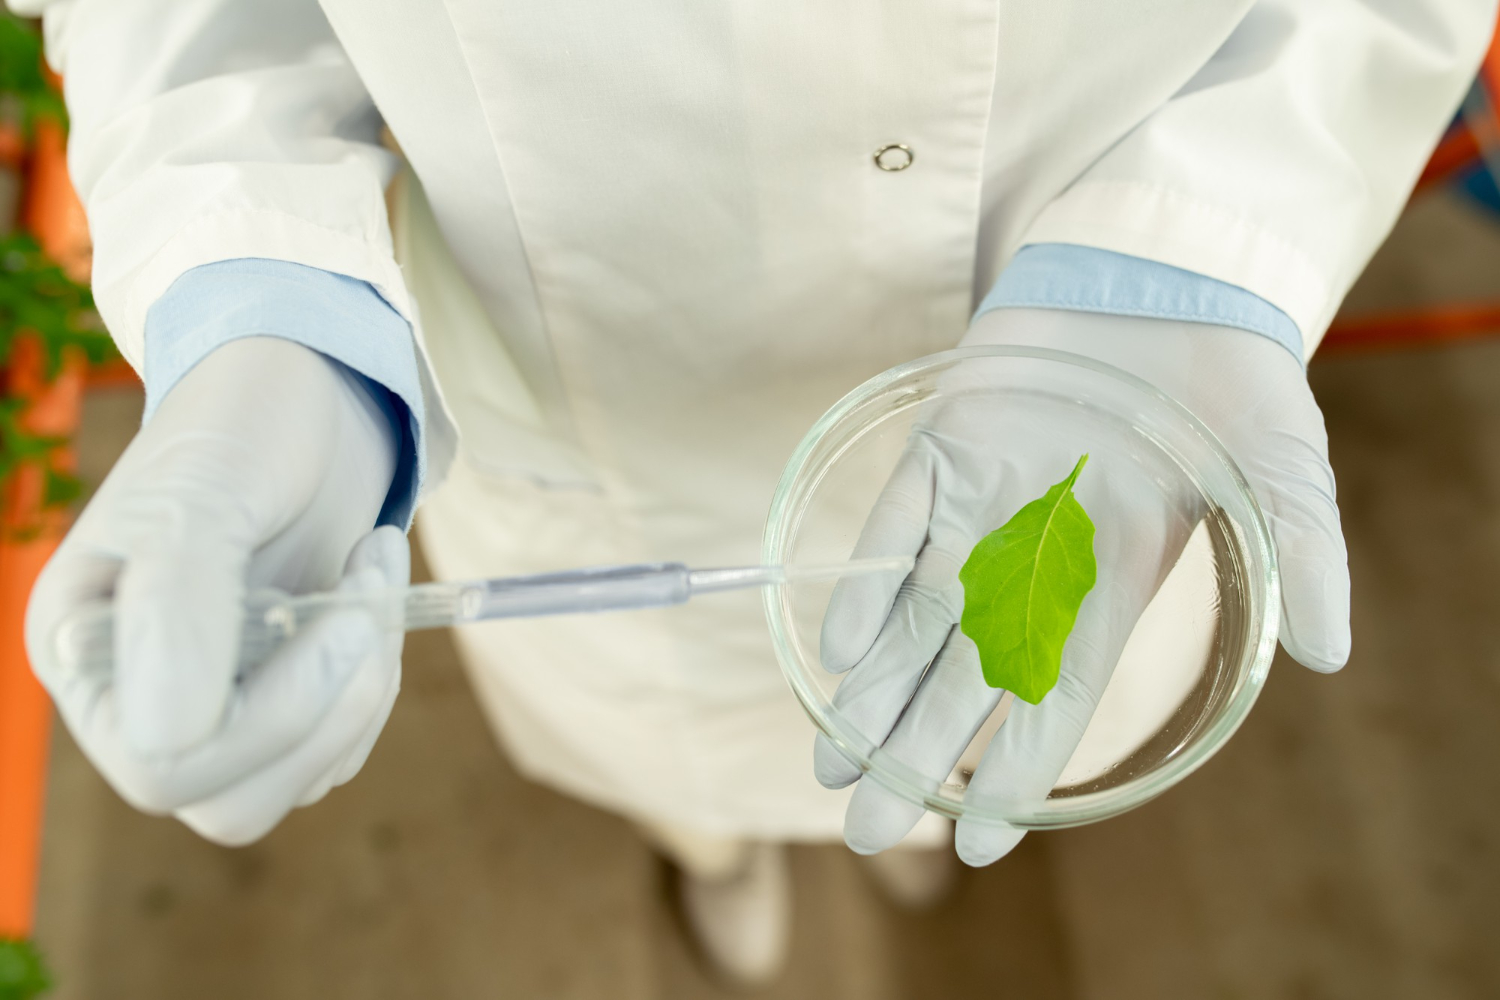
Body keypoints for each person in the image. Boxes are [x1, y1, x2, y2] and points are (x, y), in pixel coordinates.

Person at [16, 0, 1495, 985]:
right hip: (586, 411)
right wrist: (273, 312)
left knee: (976, 729)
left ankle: (902, 842)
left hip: (1089, 394)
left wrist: (1194, 243)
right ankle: (709, 844)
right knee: (660, 741)